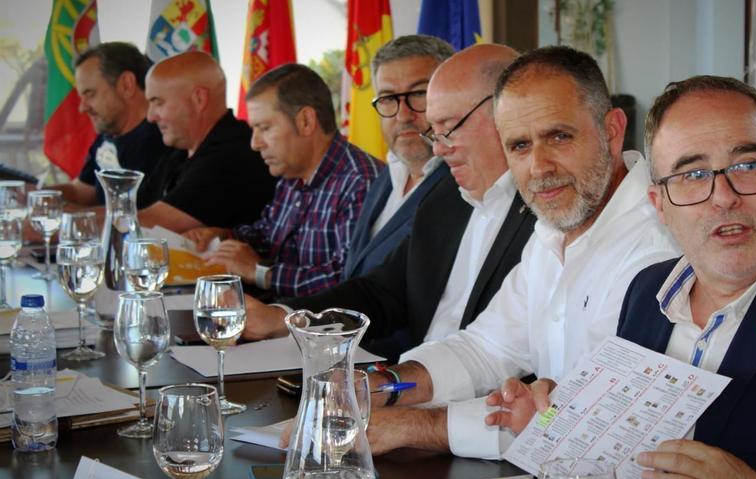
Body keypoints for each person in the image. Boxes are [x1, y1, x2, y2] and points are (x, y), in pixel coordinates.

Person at [496, 76, 756, 479]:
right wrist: (563, 424)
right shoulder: (647, 291)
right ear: (659, 205)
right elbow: (629, 456)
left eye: (748, 166)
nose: (723, 197)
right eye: (692, 174)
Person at [358, 46, 679, 460]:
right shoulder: (552, 228)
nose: (539, 167)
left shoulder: (659, 245)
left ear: (612, 131)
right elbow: (487, 348)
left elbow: (596, 422)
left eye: (559, 137)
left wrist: (410, 426)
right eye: (520, 145)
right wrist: (383, 386)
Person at [244, 43, 536, 363]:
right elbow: (381, 293)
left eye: (450, 127)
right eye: (436, 132)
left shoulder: (545, 212)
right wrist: (282, 319)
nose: (439, 149)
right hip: (409, 378)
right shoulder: (445, 198)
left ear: (506, 113)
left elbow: (510, 356)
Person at [183, 64, 382, 296]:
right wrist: (225, 237)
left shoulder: (360, 181)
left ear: (306, 121)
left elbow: (350, 282)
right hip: (280, 313)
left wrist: (261, 272)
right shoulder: (291, 173)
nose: (254, 143)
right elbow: (267, 235)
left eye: (265, 128)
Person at [343, 34, 454, 280]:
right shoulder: (389, 173)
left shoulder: (467, 186)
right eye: (388, 98)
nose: (403, 115)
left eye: (418, 94)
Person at [138, 51, 277, 232]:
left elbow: (149, 225)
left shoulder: (234, 155)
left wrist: (99, 217)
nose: (150, 116)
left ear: (199, 99)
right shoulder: (179, 153)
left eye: (158, 102)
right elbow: (135, 208)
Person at [51, 42, 169, 208]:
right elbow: (82, 191)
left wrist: (57, 212)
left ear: (126, 84)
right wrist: (34, 196)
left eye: (90, 94)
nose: (82, 107)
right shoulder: (109, 133)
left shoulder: (164, 140)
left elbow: (141, 215)